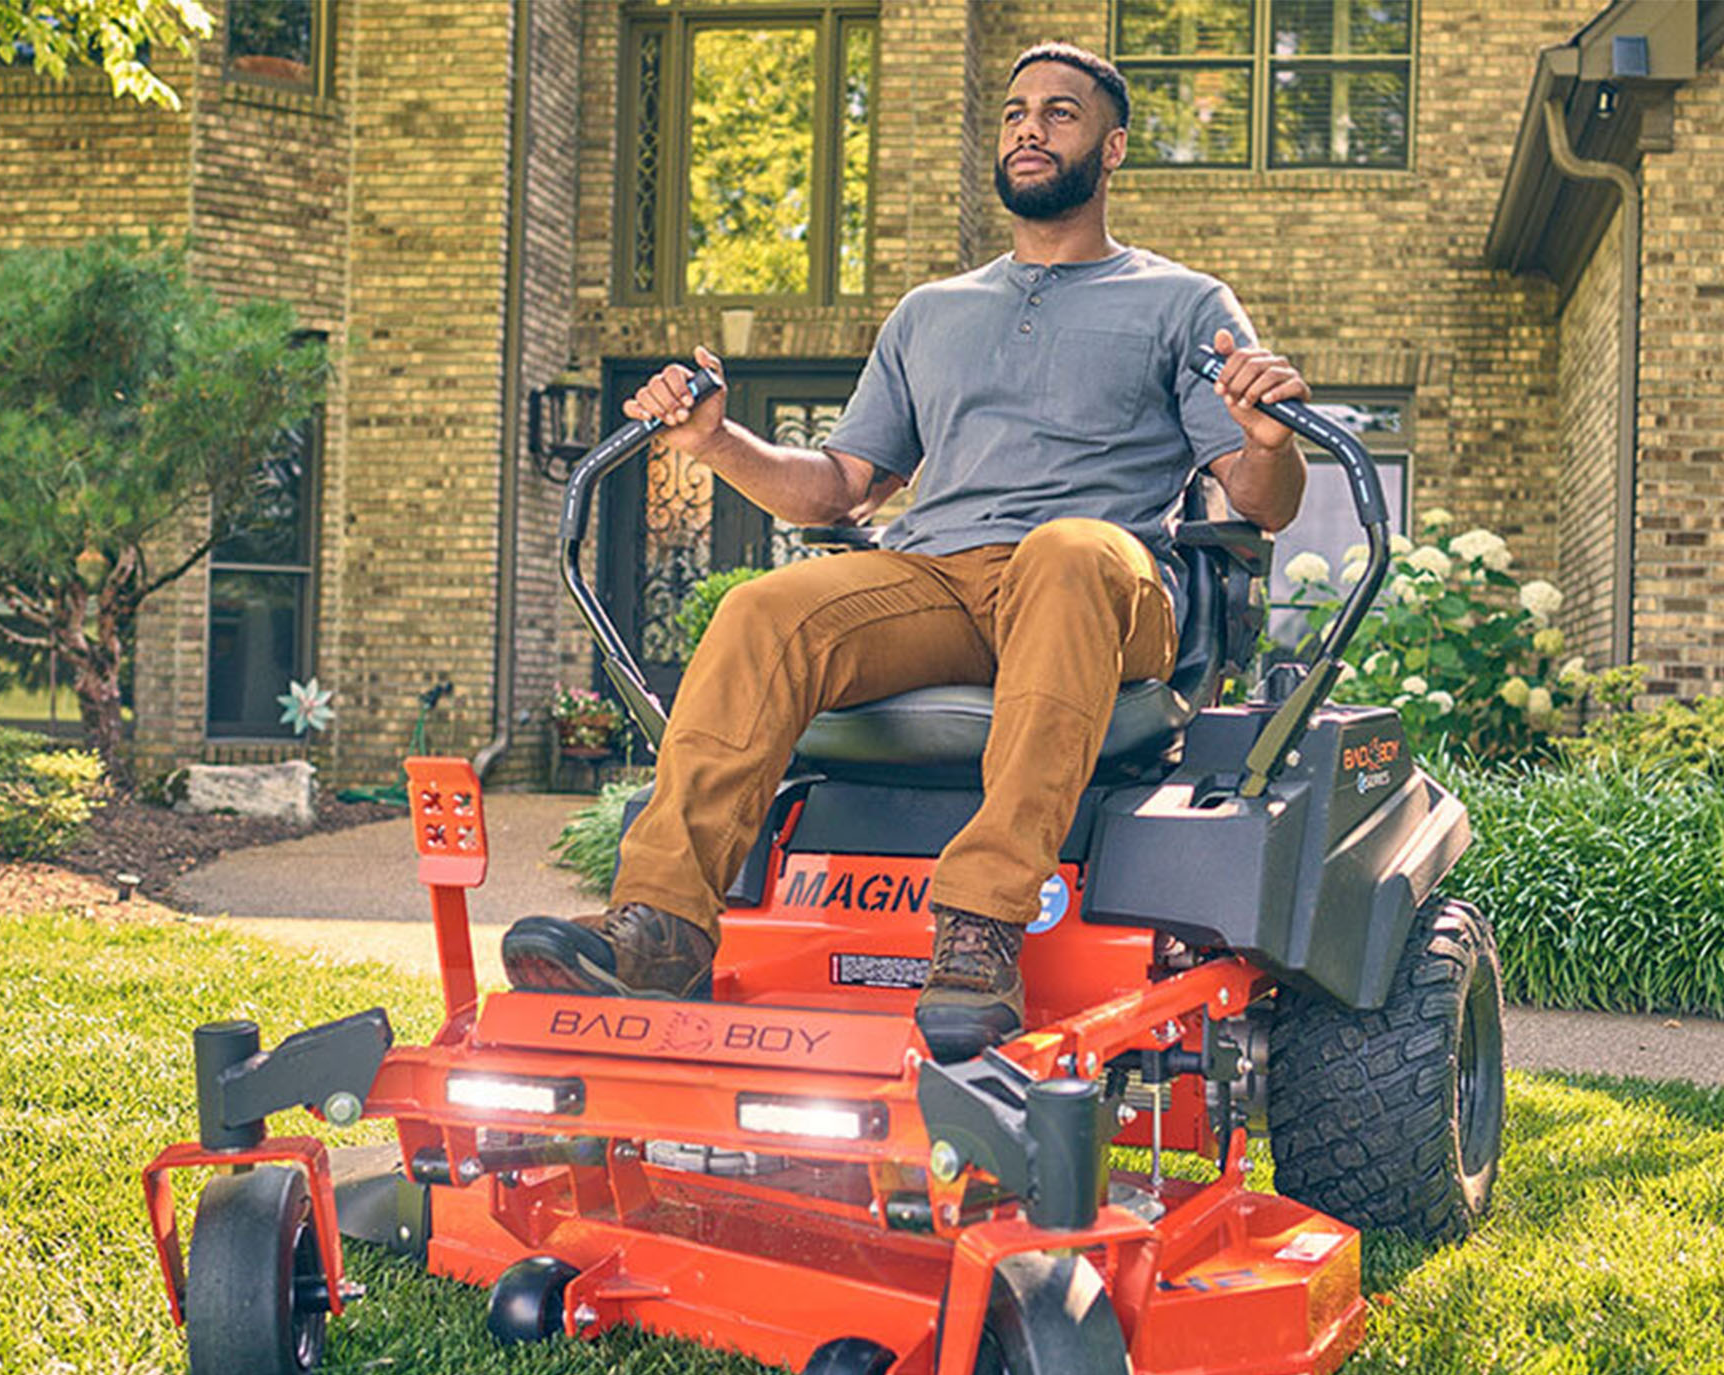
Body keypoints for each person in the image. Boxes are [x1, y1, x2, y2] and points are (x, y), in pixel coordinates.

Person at [503, 42, 1309, 1062]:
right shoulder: (932, 311)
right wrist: (714, 442)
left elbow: (1259, 501)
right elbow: (843, 485)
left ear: (1110, 151)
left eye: (1060, 114)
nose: (1029, 128)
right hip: (937, 577)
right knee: (767, 607)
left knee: (1064, 553)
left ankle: (979, 927)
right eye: (1016, 111)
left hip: (1100, 581)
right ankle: (660, 925)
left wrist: (1269, 442)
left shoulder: (1184, 303)